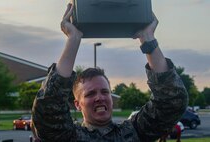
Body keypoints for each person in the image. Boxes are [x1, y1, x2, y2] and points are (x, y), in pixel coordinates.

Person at [32, 1, 188, 142]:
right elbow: (47, 110)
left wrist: (147, 38)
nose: (99, 97)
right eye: (90, 94)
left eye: (105, 92)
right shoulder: (69, 136)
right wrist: (73, 39)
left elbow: (171, 101)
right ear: (77, 105)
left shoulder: (134, 132)